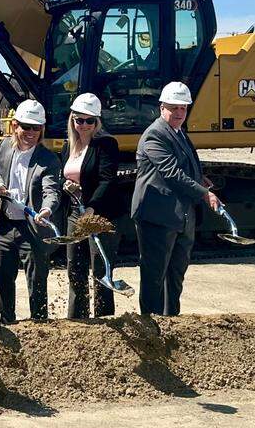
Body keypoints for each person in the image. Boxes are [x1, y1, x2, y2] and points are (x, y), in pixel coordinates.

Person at [132, 81, 221, 316]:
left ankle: (172, 321)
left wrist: (199, 178)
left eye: (183, 108)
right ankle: (150, 325)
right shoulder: (155, 135)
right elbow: (171, 172)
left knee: (175, 274)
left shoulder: (180, 133)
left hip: (180, 216)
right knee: (154, 275)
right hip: (157, 215)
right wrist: (204, 193)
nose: (180, 113)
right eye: (174, 108)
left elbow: (185, 164)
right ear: (162, 108)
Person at [0, 99, 60, 322]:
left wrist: (46, 210)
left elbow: (52, 191)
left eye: (36, 128)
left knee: (37, 282)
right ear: (15, 125)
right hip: (7, 225)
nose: (30, 132)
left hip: (33, 229)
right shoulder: (5, 147)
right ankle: (5, 323)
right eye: (26, 127)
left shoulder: (48, 159)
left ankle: (39, 324)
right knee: (3, 278)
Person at [60, 93, 127, 318]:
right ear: (72, 120)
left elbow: (107, 179)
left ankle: (104, 318)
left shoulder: (106, 144)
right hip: (75, 214)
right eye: (80, 120)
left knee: (100, 269)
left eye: (90, 121)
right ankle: (78, 319)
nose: (84, 125)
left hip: (101, 215)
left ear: (97, 122)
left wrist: (92, 208)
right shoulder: (68, 145)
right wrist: (67, 186)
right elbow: (65, 175)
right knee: (75, 268)